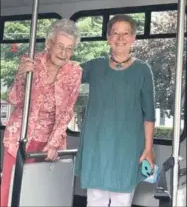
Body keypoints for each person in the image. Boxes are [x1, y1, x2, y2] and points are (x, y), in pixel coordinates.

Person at [75, 14, 155, 207]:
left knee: (122, 200)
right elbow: (65, 75)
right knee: (95, 200)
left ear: (133, 38)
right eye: (115, 33)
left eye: (125, 33)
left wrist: (149, 149)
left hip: (127, 147)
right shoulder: (94, 66)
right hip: (96, 145)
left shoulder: (143, 70)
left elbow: (149, 114)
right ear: (108, 38)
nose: (120, 38)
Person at [1, 18, 82, 207]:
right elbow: (14, 99)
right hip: (20, 136)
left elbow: (67, 111)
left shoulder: (74, 71)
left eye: (69, 48)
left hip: (49, 140)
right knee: (12, 188)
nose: (63, 53)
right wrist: (22, 74)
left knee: (41, 191)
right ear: (49, 43)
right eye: (60, 46)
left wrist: (53, 143)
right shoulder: (31, 61)